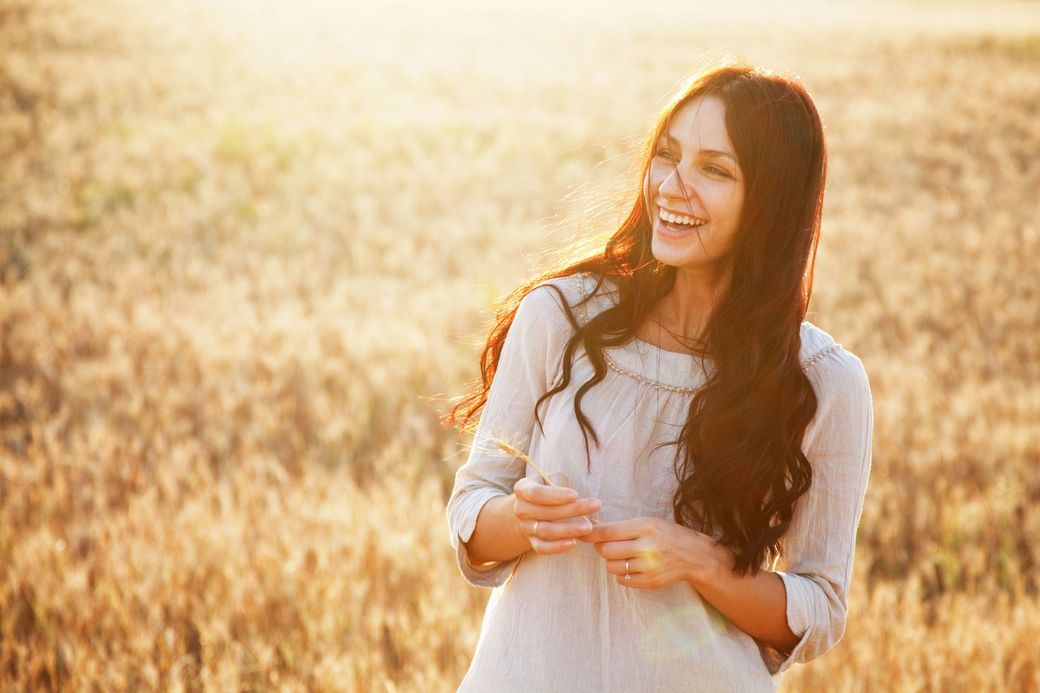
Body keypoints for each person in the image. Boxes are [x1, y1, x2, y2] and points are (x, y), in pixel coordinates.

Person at [444, 62, 874, 692]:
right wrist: (522, 519)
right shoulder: (559, 316)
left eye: (715, 170)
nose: (673, 186)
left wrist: (702, 564)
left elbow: (820, 608)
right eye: (667, 156)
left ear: (771, 202)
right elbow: (473, 512)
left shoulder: (823, 384)